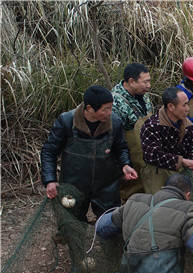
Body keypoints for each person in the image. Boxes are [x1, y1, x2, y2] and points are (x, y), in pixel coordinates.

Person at [41, 85, 138, 221]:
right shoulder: (67, 121)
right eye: (106, 109)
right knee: (71, 222)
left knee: (111, 223)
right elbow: (49, 151)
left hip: (106, 185)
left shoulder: (115, 122)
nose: (110, 112)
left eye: (111, 108)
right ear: (89, 109)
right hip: (73, 184)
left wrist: (125, 164)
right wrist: (50, 180)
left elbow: (121, 148)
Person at [140, 87, 193, 194]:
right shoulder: (152, 126)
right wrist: (181, 161)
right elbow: (151, 155)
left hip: (181, 173)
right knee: (160, 206)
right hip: (157, 173)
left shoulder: (188, 125)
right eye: (184, 105)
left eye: (188, 104)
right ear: (171, 107)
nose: (188, 109)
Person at [112, 63, 154, 200]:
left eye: (149, 81)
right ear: (131, 81)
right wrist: (123, 164)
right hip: (130, 162)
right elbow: (114, 139)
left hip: (148, 160)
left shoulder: (144, 95)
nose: (149, 85)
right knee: (132, 198)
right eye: (145, 82)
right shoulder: (116, 102)